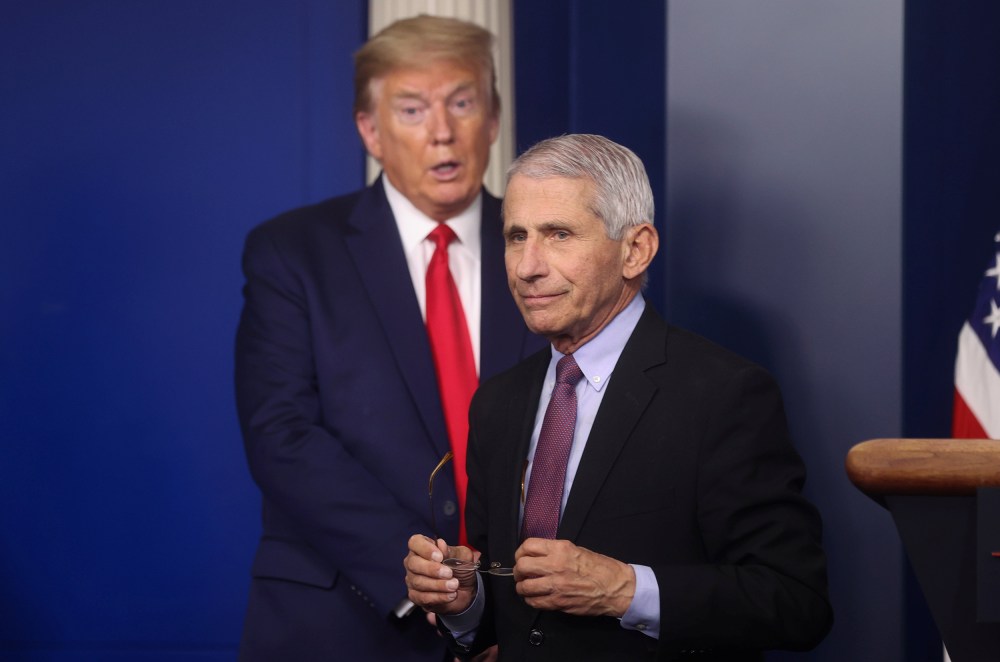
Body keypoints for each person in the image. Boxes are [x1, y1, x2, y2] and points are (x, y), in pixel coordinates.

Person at [404, 134, 833, 660]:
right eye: (517, 236)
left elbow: (796, 601)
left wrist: (625, 590)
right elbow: (521, 616)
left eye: (558, 234)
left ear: (635, 250)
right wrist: (465, 603)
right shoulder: (498, 402)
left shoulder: (724, 394)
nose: (526, 266)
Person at [234, 15, 544, 661]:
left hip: (530, 622)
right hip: (346, 615)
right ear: (370, 131)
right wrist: (428, 580)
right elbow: (282, 434)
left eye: (462, 103)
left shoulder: (544, 249)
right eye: (412, 109)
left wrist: (503, 602)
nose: (442, 131)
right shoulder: (293, 253)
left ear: (492, 119)